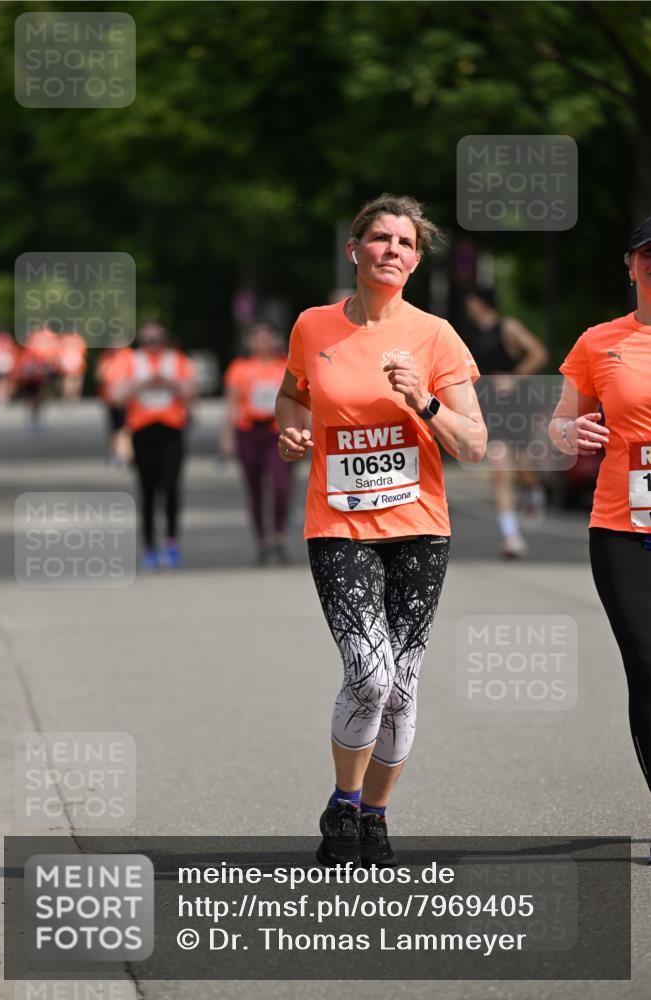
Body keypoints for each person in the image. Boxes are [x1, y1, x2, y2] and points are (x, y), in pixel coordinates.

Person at [275, 194, 486, 867]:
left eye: (404, 243)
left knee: (402, 680)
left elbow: (474, 445)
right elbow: (291, 392)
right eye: (379, 238)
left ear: (415, 261)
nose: (391, 250)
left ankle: (375, 814)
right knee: (368, 671)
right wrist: (289, 428)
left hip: (418, 527)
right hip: (337, 523)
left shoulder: (435, 336)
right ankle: (343, 801)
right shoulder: (313, 327)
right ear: (353, 249)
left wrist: (421, 400)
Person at [549, 216, 651, 821]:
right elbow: (560, 427)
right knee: (646, 662)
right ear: (632, 266)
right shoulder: (599, 342)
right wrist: (572, 432)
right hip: (622, 529)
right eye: (647, 254)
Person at [465, 288, 549, 558]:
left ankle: (534, 492)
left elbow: (538, 353)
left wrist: (514, 377)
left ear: (482, 303)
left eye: (472, 302)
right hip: (492, 409)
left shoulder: (507, 326)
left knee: (524, 470)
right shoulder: (472, 336)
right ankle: (511, 536)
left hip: (517, 405)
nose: (469, 308)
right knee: (500, 471)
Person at [113, 322, 197, 570]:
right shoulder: (130, 361)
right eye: (148, 340)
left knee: (171, 486)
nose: (153, 345)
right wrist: (143, 383)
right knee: (146, 490)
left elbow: (191, 392)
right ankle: (149, 546)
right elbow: (116, 396)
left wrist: (168, 383)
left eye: (158, 339)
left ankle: (171, 541)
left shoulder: (178, 360)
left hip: (171, 429)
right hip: (142, 431)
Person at [221, 322, 293, 565]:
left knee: (281, 484)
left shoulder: (285, 366)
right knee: (254, 488)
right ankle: (262, 541)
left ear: (275, 340)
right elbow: (231, 404)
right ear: (249, 342)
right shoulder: (240, 368)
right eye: (257, 338)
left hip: (277, 432)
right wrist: (227, 436)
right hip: (249, 431)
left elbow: (299, 400)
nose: (262, 343)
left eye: (267, 338)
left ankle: (279, 536)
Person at [95, 346, 134, 467]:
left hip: (126, 400)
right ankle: (116, 454)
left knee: (126, 428)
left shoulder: (129, 356)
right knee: (115, 428)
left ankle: (126, 455)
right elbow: (99, 376)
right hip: (111, 399)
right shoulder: (106, 357)